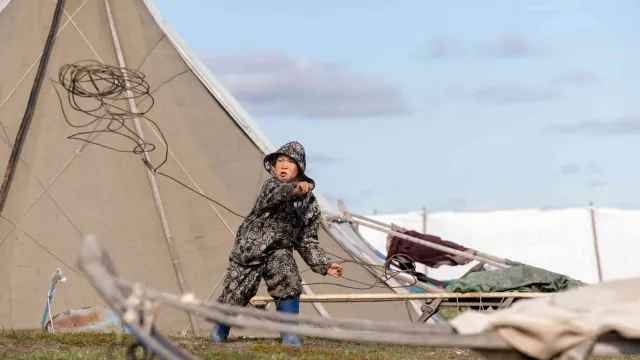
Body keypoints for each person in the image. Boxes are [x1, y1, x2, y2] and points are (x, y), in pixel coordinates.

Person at [210, 141, 344, 346]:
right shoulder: (270, 186)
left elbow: (307, 240)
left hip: (279, 251)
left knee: (288, 279)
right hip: (250, 251)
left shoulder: (310, 205)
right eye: (280, 161)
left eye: (290, 162)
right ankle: (220, 329)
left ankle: (290, 335)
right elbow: (280, 194)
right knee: (237, 294)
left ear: (299, 168)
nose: (283, 166)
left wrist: (325, 264)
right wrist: (295, 190)